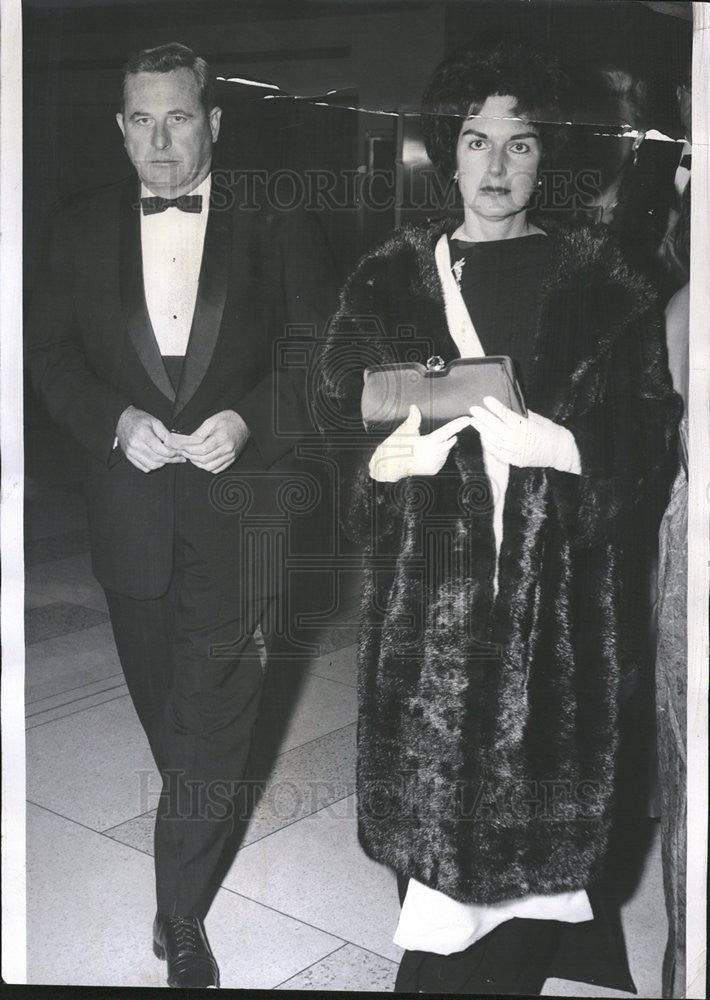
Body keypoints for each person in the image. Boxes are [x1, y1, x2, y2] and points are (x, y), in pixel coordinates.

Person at [318, 35, 681, 994]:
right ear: (448, 147)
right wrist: (382, 467)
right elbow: (334, 435)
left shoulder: (608, 290)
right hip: (425, 630)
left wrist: (567, 450)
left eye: (518, 145)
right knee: (436, 843)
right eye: (474, 140)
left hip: (558, 625)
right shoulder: (387, 283)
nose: (493, 164)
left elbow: (651, 443)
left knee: (537, 849)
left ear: (548, 155)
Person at [27, 43, 337, 989]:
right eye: (142, 120)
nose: (161, 141)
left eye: (180, 118)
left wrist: (250, 422)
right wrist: (114, 421)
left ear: (214, 122)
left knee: (213, 715)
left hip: (241, 510)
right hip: (129, 517)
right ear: (120, 128)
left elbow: (319, 358)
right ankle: (195, 814)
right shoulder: (77, 226)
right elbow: (51, 359)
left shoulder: (278, 222)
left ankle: (182, 915)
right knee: (174, 718)